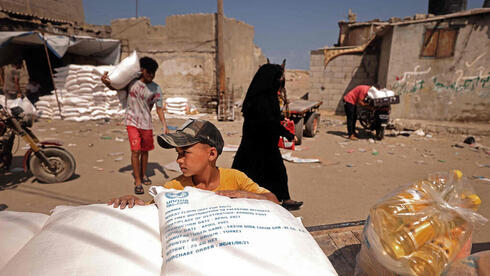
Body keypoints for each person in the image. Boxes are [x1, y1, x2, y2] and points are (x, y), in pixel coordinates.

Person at [108, 119, 279, 209]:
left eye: (185, 153)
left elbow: (273, 200)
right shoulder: (175, 187)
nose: (179, 160)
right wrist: (134, 203)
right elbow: (151, 209)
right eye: (178, 154)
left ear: (211, 154)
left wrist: (247, 195)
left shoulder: (236, 179)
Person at [231, 62, 303, 211]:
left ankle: (280, 198)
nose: (280, 83)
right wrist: (288, 134)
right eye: (279, 79)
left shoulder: (256, 96)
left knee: (248, 171)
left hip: (253, 143)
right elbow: (270, 122)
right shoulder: (265, 99)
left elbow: (271, 121)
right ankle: (284, 199)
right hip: (263, 144)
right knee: (276, 171)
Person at [101, 56, 168, 195]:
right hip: (132, 122)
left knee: (144, 151)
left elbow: (159, 108)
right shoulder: (131, 83)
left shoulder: (156, 89)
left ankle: (144, 175)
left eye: (153, 73)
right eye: (149, 72)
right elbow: (115, 87)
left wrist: (164, 125)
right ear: (142, 71)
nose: (151, 76)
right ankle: (137, 180)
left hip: (146, 124)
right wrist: (106, 82)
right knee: (135, 151)